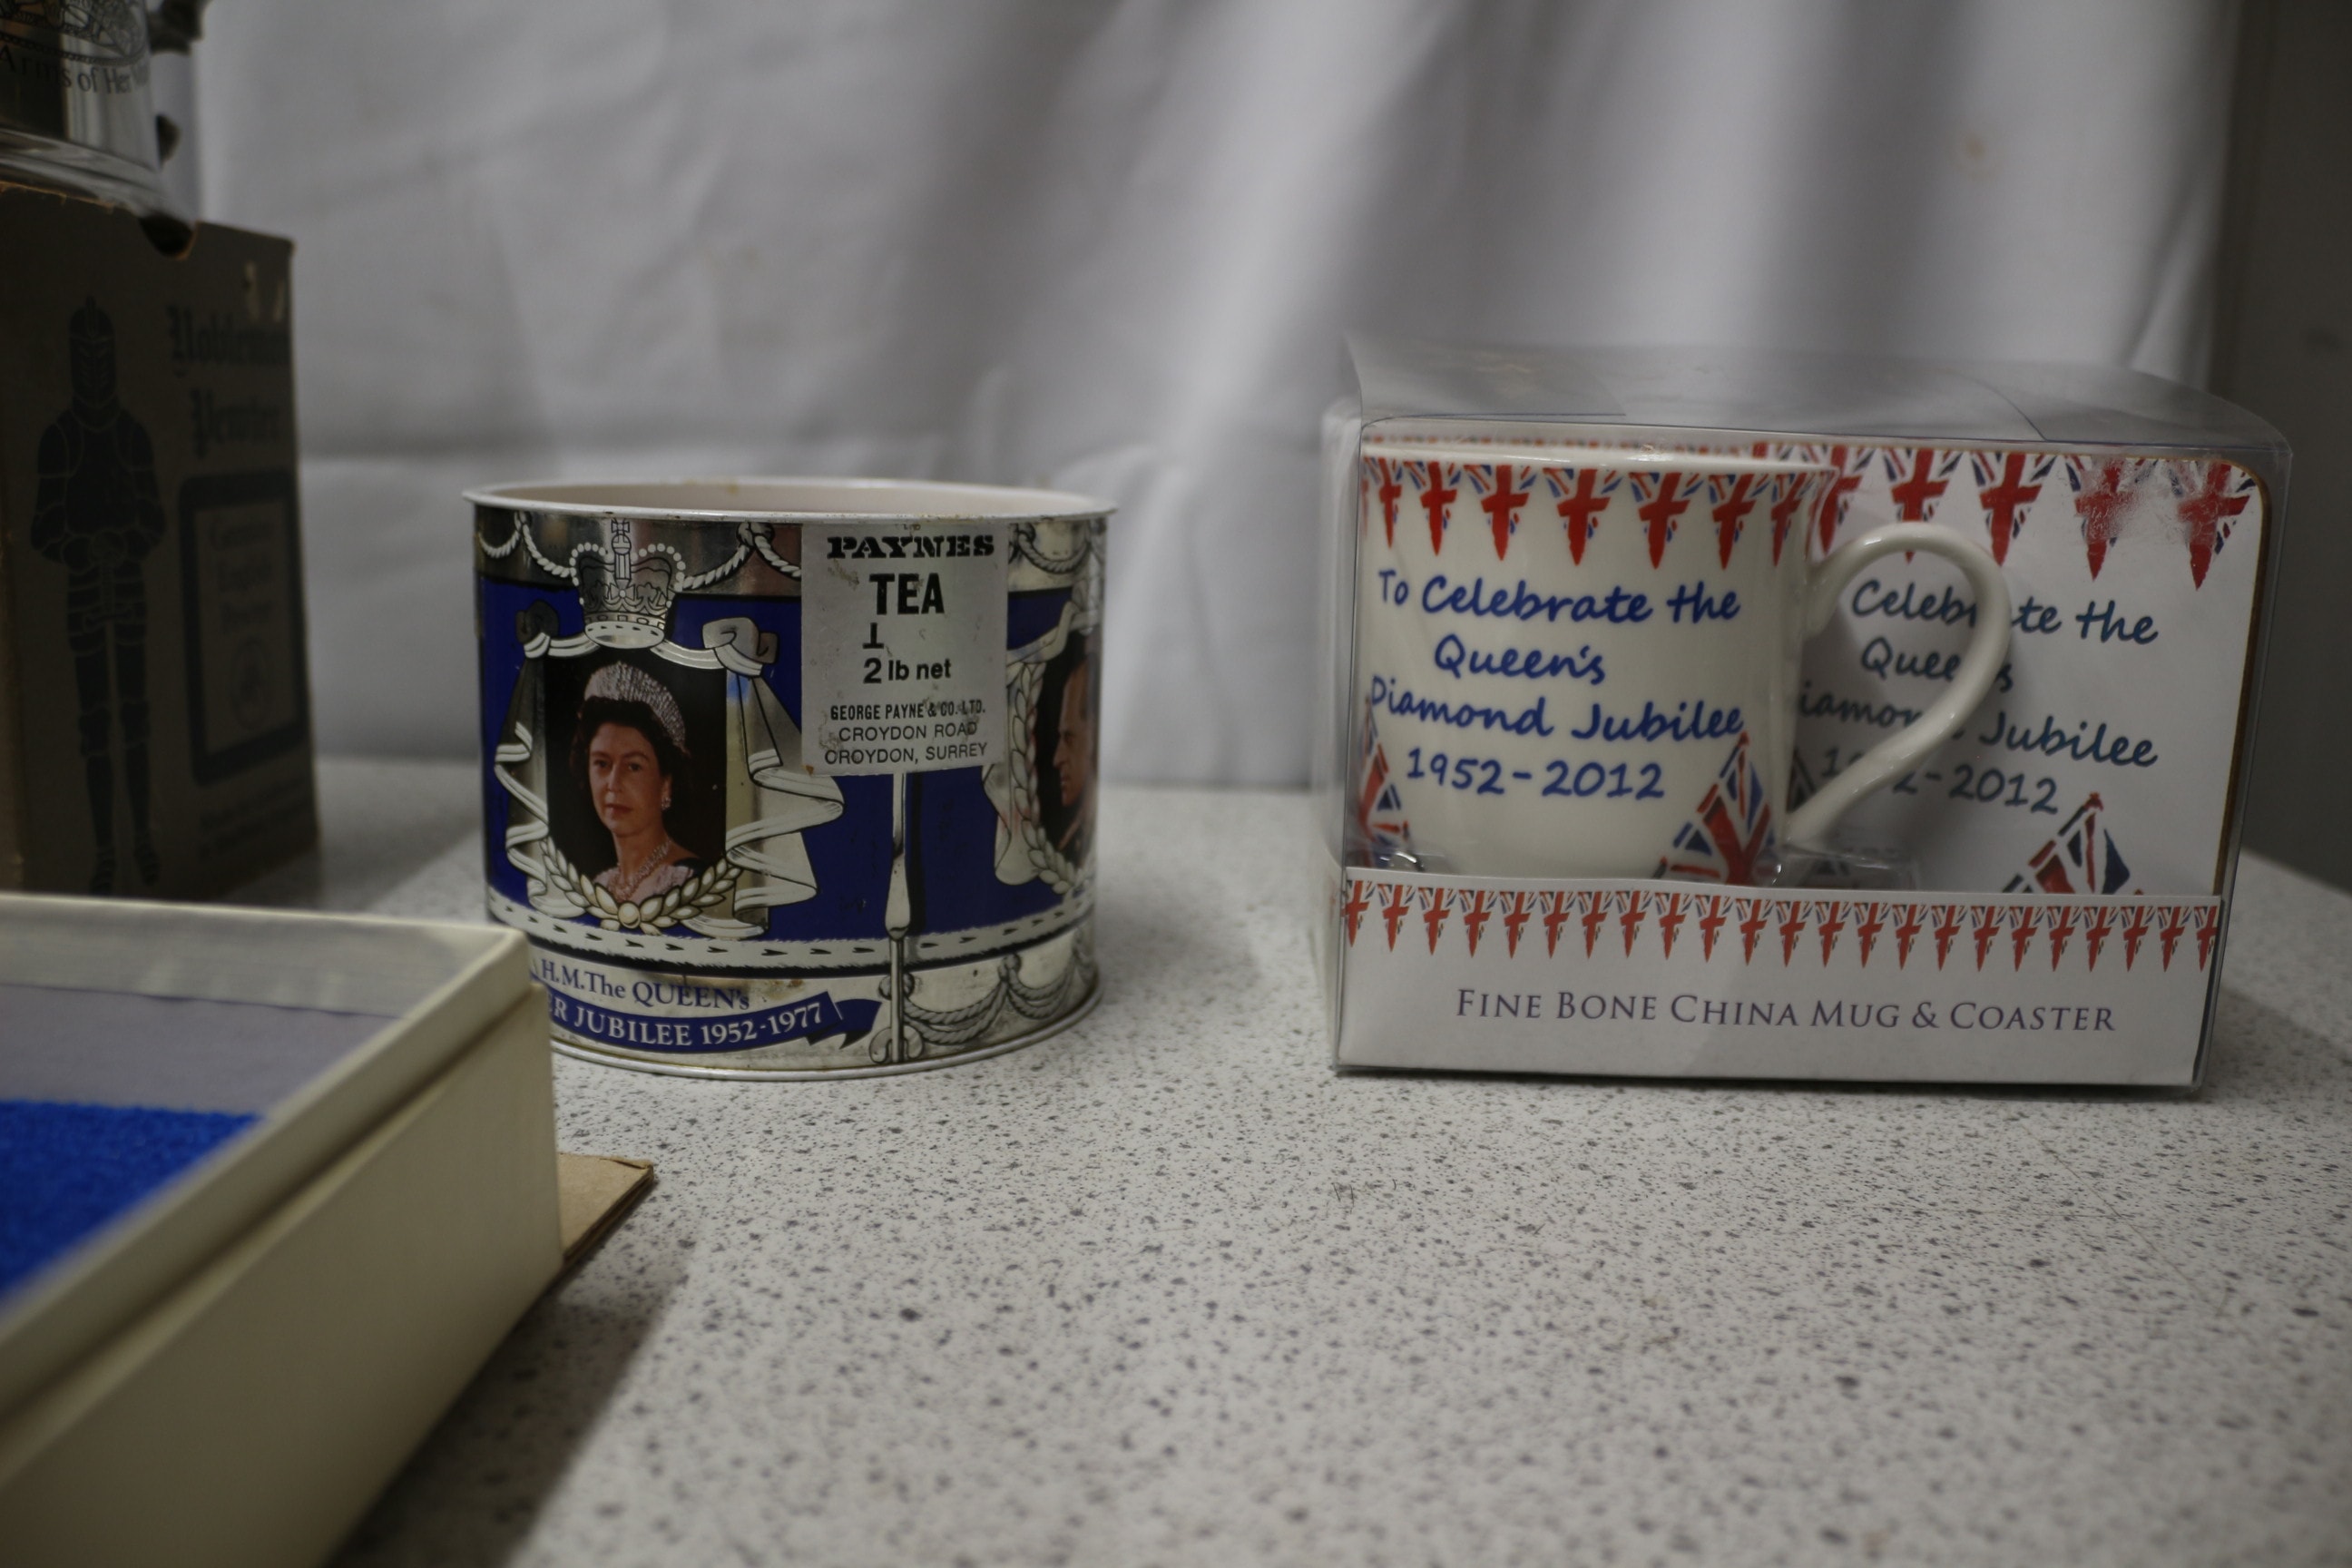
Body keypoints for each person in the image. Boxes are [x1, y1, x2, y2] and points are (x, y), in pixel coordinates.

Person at [32, 299, 167, 892]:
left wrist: (125, 542)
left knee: (135, 720)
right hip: (85, 593)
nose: (93, 368)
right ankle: (106, 851)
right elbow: (43, 528)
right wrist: (83, 549)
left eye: (100, 356)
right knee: (94, 728)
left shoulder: (131, 435)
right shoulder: (60, 439)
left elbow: (154, 518)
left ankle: (142, 839)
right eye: (83, 356)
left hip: (129, 589)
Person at [568, 662, 707, 903]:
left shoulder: (691, 881)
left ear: (665, 784)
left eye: (633, 767)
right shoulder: (601, 884)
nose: (613, 784)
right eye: (602, 763)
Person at [1047, 647, 1095, 860]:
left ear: (1093, 735)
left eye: (1069, 739)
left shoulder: (1076, 843)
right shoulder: (1069, 842)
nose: (1057, 759)